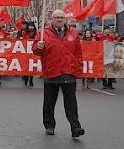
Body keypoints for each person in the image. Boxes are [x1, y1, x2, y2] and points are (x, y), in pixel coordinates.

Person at [33, 9, 85, 139]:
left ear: (65, 18)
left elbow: (78, 54)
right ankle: (49, 125)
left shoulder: (73, 33)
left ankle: (75, 127)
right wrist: (38, 47)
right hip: (52, 72)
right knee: (49, 102)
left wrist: (78, 70)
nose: (60, 19)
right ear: (52, 18)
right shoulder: (43, 33)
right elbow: (36, 51)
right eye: (57, 17)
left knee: (71, 102)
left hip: (69, 71)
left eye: (62, 17)